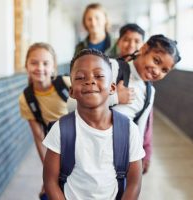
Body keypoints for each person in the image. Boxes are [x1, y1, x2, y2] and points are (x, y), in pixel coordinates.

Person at [43, 49, 145, 200]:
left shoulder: (129, 130)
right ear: (71, 91)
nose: (90, 81)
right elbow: (50, 181)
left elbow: (134, 183)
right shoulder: (61, 129)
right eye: (80, 77)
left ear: (112, 88)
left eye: (99, 76)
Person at [110, 34, 181, 167]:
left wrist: (140, 158)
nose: (157, 71)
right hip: (89, 149)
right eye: (156, 60)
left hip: (118, 159)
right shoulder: (113, 68)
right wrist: (114, 97)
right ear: (144, 48)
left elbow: (140, 130)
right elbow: (73, 104)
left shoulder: (149, 92)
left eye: (164, 70)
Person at [19, 42, 71, 200]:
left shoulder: (67, 84)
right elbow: (39, 137)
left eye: (45, 63)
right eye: (34, 63)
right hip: (55, 149)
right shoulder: (26, 99)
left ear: (53, 66)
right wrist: (48, 175)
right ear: (26, 65)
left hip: (79, 142)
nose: (40, 68)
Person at [110, 23, 152, 174]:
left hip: (128, 150)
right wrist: (115, 97)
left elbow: (145, 120)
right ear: (118, 42)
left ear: (143, 46)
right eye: (126, 39)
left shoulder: (145, 80)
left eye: (136, 41)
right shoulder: (108, 68)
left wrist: (146, 151)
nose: (131, 45)